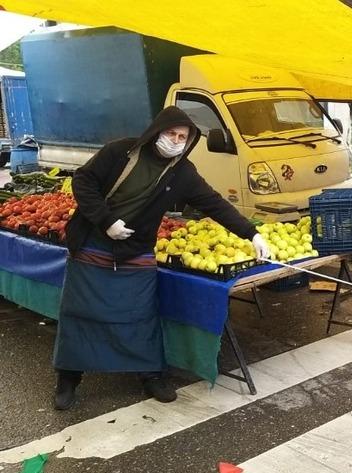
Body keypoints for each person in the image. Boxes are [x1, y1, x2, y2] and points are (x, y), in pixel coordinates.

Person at [53, 106, 271, 410]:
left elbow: (214, 203)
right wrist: (106, 221)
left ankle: (151, 375)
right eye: (172, 133)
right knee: (80, 312)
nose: (176, 140)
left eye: (183, 137)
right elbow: (84, 181)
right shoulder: (120, 152)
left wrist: (252, 234)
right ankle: (68, 378)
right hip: (93, 243)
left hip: (136, 250)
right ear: (157, 130)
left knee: (141, 315)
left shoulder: (182, 172)